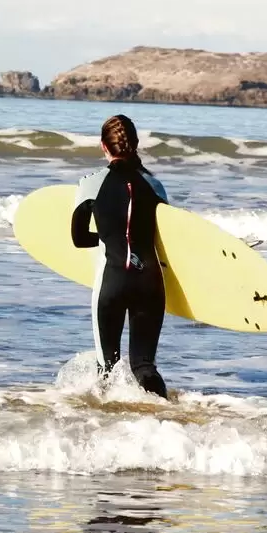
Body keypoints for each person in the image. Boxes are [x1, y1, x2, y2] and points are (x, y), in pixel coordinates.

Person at [71, 114, 169, 396]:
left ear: (103, 146)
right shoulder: (155, 186)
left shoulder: (90, 184)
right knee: (145, 367)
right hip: (150, 284)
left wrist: (107, 239)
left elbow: (78, 239)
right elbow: (167, 241)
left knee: (108, 368)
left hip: (111, 283)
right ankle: (168, 419)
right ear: (136, 145)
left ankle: (106, 430)